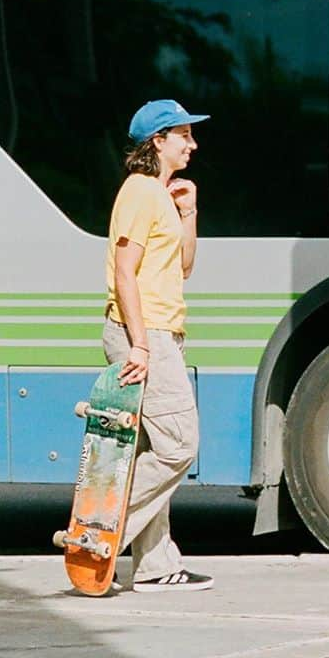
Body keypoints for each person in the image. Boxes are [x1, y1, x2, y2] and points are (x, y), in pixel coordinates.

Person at [102, 99, 214, 592]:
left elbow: (184, 266)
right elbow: (124, 274)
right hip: (143, 334)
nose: (192, 144)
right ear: (157, 142)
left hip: (161, 332)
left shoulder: (161, 196)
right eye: (183, 135)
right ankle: (102, 533)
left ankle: (155, 565)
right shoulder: (139, 193)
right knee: (178, 446)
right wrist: (141, 346)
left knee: (155, 445)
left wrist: (188, 211)